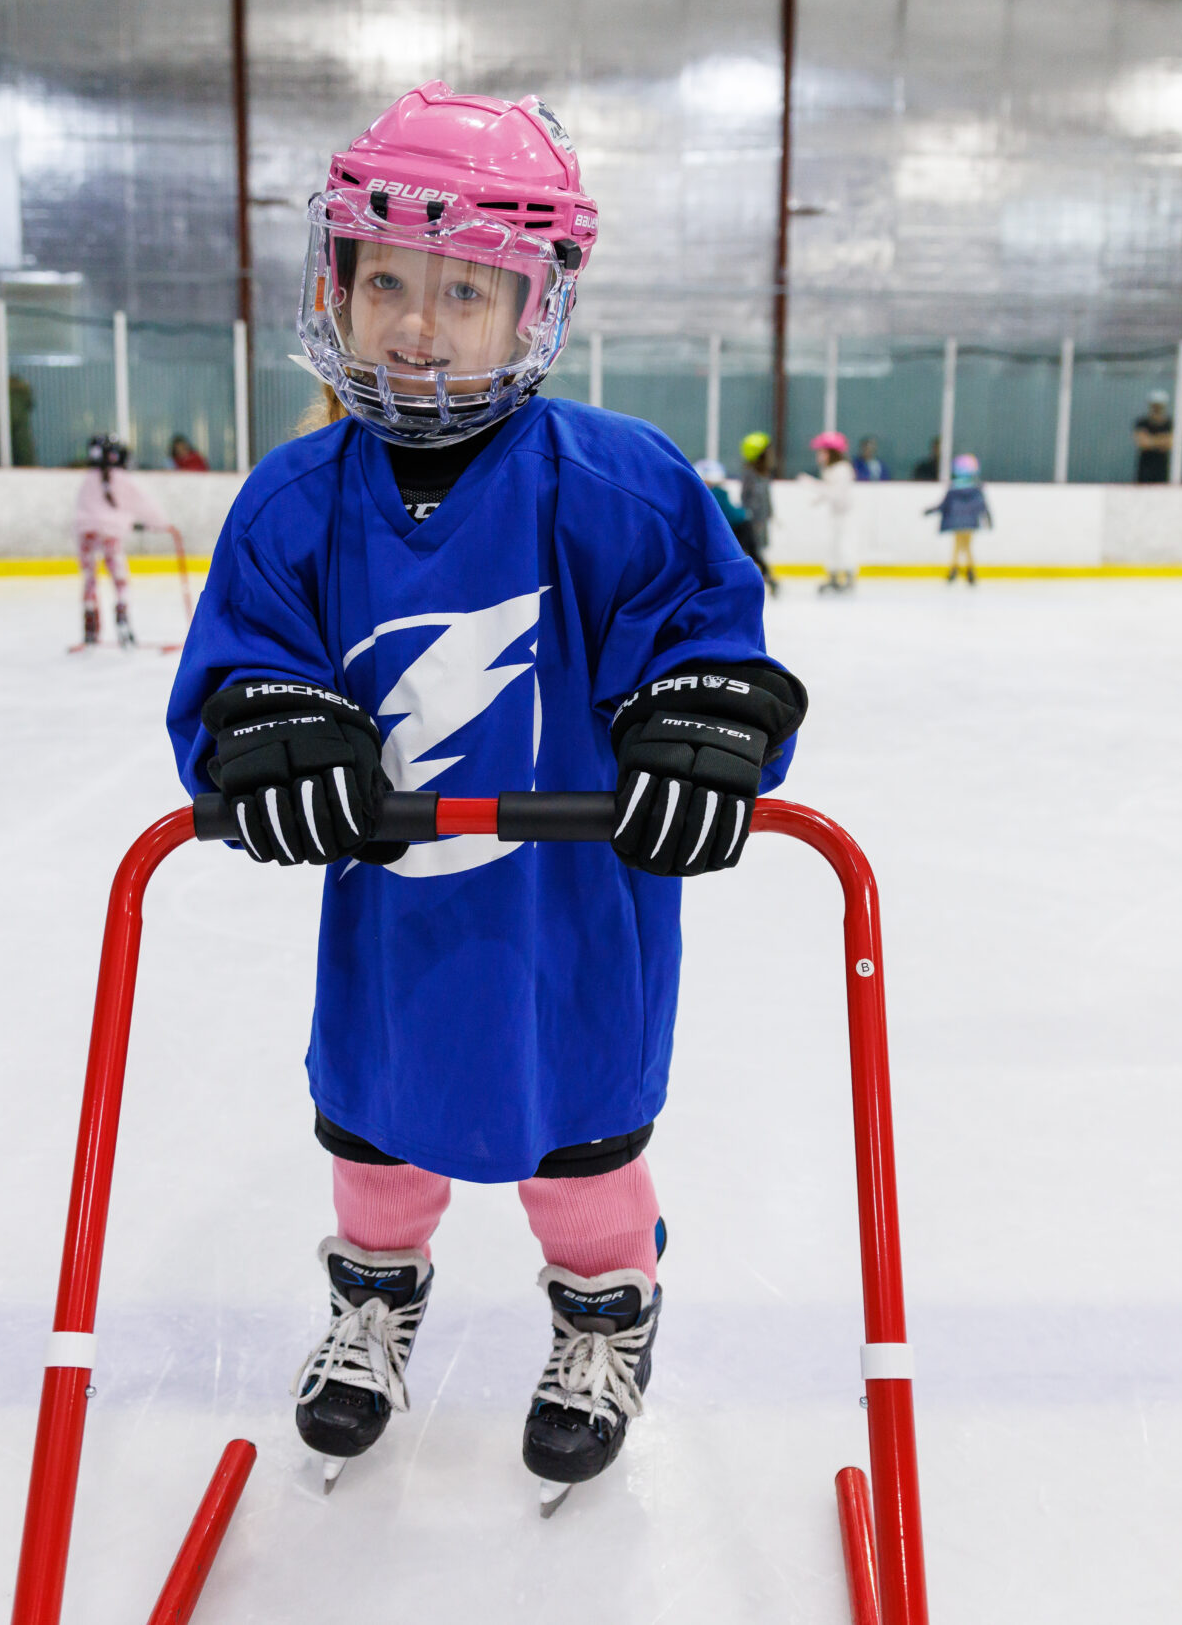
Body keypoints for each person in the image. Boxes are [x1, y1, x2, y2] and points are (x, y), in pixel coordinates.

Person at [166, 81, 803, 1514]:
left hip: (573, 921)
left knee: (580, 1141)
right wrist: (265, 723)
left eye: (468, 290)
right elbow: (237, 667)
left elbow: (705, 635)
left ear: (537, 306)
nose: (414, 321)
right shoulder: (292, 499)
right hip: (394, 923)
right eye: (386, 276)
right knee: (375, 1126)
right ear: (337, 277)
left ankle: (602, 1315)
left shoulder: (620, 486)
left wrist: (704, 713)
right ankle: (376, 1297)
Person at [71, 434, 173, 651]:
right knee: (120, 581)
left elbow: (81, 512)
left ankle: (90, 625)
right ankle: (123, 619)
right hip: (110, 536)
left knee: (89, 581)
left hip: (86, 535)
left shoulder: (88, 478)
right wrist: (162, 524)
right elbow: (144, 504)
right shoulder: (121, 478)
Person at [805, 428, 858, 594]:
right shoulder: (830, 470)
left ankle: (848, 576)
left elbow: (836, 493)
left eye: (822, 451)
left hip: (845, 514)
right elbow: (830, 491)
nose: (819, 456)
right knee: (833, 545)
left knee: (844, 545)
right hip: (836, 514)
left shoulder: (842, 469)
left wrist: (813, 485)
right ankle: (834, 576)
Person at [926, 452, 993, 584]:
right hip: (970, 520)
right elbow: (982, 506)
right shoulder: (976, 488)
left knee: (959, 544)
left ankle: (956, 568)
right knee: (966, 545)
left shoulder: (955, 487)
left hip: (956, 520)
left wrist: (931, 511)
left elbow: (944, 505)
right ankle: (968, 570)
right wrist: (988, 519)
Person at [735, 430, 778, 596]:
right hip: (753, 521)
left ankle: (764, 578)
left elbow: (766, 498)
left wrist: (770, 514)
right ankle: (762, 578)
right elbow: (746, 499)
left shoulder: (764, 475)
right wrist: (752, 517)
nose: (771, 455)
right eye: (768, 452)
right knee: (754, 553)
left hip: (761, 520)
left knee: (757, 552)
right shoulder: (750, 475)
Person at [1133, 392, 1174, 483]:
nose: (1157, 409)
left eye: (1159, 406)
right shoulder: (1142, 423)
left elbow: (1170, 443)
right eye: (1155, 405)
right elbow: (1142, 443)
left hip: (1162, 469)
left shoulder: (1170, 424)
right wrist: (1161, 440)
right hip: (1145, 469)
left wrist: (1150, 440)